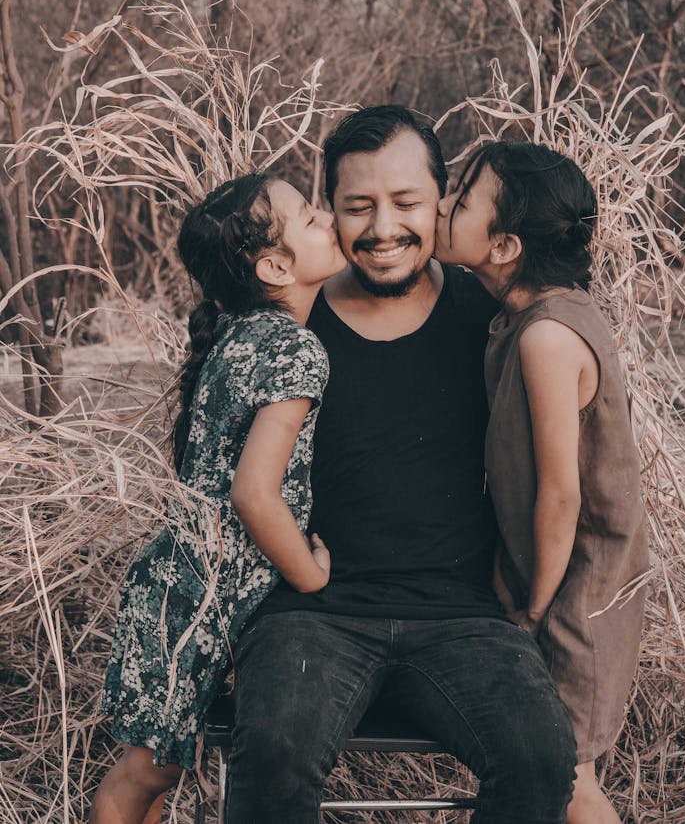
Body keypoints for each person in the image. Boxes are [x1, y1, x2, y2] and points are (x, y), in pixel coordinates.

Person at [228, 107, 576, 824]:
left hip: (463, 616)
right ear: (331, 211)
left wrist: (533, 605)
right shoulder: (291, 325)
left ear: (442, 203)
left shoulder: (493, 315)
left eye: (407, 203)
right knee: (271, 753)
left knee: (541, 758)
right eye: (358, 206)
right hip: (313, 615)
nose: (384, 228)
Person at [90, 173, 346, 824]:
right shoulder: (295, 348)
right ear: (276, 264)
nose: (330, 219)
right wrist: (312, 572)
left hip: (186, 584)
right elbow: (255, 494)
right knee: (143, 771)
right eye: (312, 218)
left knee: (160, 768)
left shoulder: (238, 333)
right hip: (198, 595)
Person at [434, 140, 650, 824]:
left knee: (567, 774)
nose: (440, 206)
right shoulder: (523, 314)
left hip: (578, 586)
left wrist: (531, 605)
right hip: (556, 575)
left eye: (460, 200)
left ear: (502, 246)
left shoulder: (546, 337)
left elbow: (563, 493)